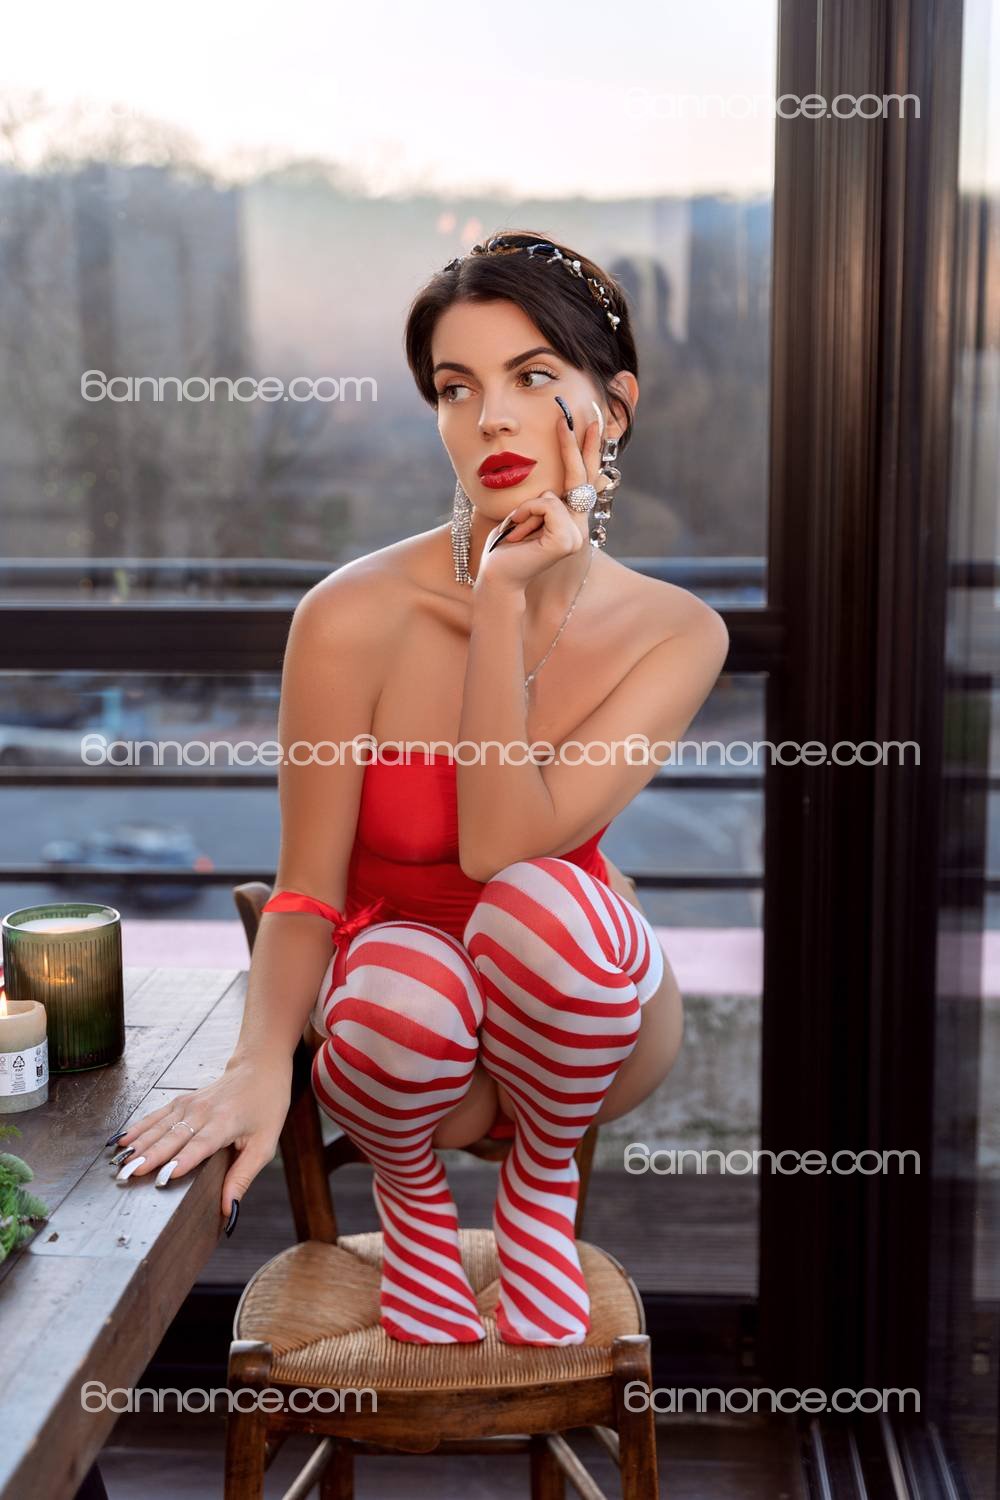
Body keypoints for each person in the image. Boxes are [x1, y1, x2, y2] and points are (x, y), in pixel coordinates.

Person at [106, 230, 729, 1347]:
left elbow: (502, 848)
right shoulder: (349, 616)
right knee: (406, 976)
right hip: (404, 1043)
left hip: (580, 1028)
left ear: (613, 407)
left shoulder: (677, 631)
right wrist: (258, 1062)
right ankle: (412, 1200)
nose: (489, 419)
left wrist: (498, 605)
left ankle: (540, 1188)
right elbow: (307, 888)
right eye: (456, 387)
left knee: (544, 896)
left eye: (531, 377)